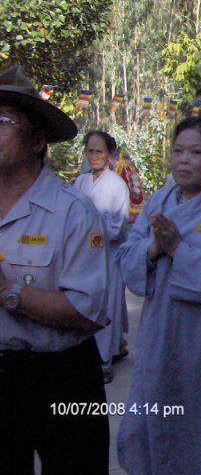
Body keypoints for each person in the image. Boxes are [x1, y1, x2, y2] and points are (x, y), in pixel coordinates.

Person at [116, 110, 201, 474]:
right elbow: (127, 259)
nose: (183, 160)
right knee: (147, 427)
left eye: (195, 152)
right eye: (178, 151)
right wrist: (153, 250)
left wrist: (179, 249)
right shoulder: (159, 200)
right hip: (159, 337)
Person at [0, 65, 111, 474]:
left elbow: (89, 310)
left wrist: (7, 291)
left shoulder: (74, 211)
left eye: (3, 121)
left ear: (37, 141)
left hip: (60, 376)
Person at [74, 130, 130, 384]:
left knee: (107, 305)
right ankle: (110, 348)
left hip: (108, 256)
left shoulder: (117, 185)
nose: (94, 156)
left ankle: (104, 360)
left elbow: (118, 227)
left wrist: (92, 229)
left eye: (99, 151)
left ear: (109, 154)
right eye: (90, 150)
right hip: (82, 257)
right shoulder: (80, 183)